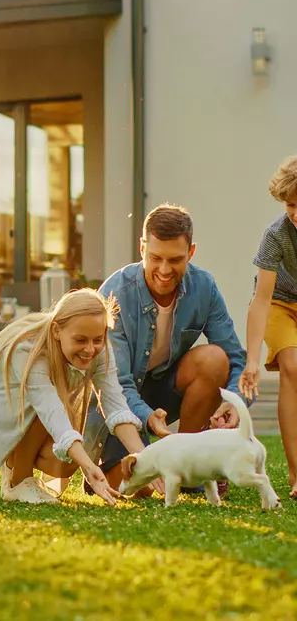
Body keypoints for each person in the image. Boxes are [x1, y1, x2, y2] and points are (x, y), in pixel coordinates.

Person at [88, 204, 248, 494]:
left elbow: (236, 358)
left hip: (164, 391)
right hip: (115, 403)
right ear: (142, 248)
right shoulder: (114, 293)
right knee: (142, 489)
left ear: (191, 252)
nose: (164, 270)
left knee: (214, 359)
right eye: (155, 258)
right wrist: (147, 416)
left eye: (175, 260)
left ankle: (188, 465)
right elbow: (116, 385)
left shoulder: (204, 287)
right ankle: (107, 464)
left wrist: (235, 403)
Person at [0, 289, 148, 506]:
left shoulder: (99, 348)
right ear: (57, 330)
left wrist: (147, 461)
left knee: (66, 463)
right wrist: (89, 467)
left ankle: (14, 465)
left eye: (98, 339)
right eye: (80, 340)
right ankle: (17, 481)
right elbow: (50, 411)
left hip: (26, 410)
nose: (90, 349)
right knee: (52, 417)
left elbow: (116, 407)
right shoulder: (29, 350)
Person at [240, 155, 297, 498]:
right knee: (292, 367)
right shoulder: (276, 235)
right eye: (291, 205)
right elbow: (261, 301)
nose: (296, 214)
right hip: (280, 303)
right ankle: (296, 473)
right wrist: (252, 361)